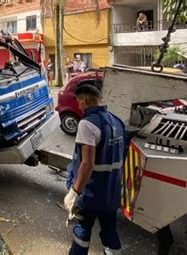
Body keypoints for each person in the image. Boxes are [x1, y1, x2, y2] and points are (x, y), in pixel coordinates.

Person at [63, 84, 126, 255]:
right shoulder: (116, 120)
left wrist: (74, 192)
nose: (78, 105)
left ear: (84, 100)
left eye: (78, 101)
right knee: (109, 231)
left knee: (82, 230)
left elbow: (87, 164)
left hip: (91, 193)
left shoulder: (87, 124)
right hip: (111, 192)